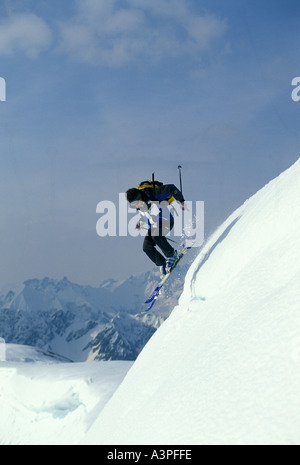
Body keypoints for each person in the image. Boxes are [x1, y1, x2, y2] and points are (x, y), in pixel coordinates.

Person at [126, 182, 186, 276]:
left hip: (166, 221)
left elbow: (170, 188)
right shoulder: (140, 206)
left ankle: (172, 255)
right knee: (146, 247)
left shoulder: (153, 194)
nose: (135, 206)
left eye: (136, 203)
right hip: (155, 226)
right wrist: (140, 223)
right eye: (133, 204)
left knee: (156, 235)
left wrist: (181, 201)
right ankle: (162, 263)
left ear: (140, 197)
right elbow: (147, 215)